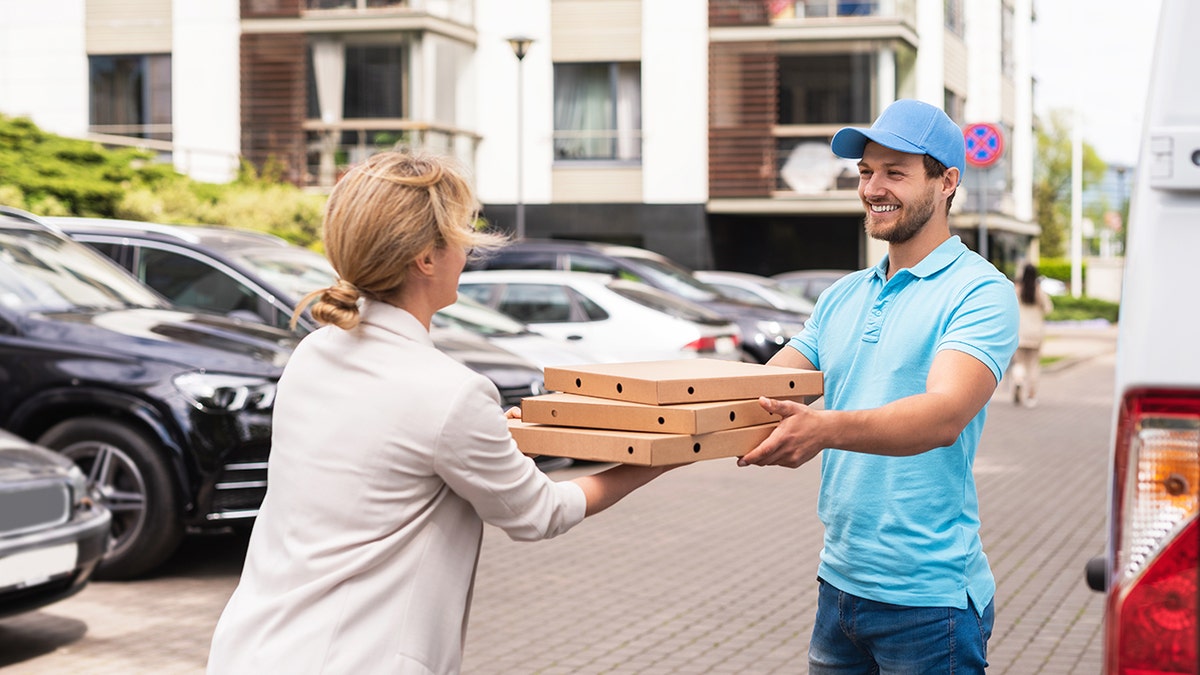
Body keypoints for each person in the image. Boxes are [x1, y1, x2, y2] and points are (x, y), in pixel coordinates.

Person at [206, 151, 674, 674]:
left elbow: (382, 457)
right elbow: (538, 513)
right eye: (461, 232)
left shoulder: (314, 354)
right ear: (425, 257)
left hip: (252, 650)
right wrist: (661, 457)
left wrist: (495, 439)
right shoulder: (450, 392)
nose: (469, 249)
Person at [737, 99, 1018, 673]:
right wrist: (612, 414)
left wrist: (824, 429)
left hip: (929, 604)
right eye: (866, 172)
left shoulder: (980, 293)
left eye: (895, 172)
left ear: (947, 182)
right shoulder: (842, 296)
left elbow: (943, 416)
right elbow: (762, 389)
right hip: (838, 586)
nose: (873, 187)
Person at [1011, 262, 1054, 407]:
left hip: (1020, 333)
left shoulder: (1017, 291)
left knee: (1020, 363)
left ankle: (1018, 381)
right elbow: (1048, 309)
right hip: (1035, 334)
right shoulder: (1038, 291)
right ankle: (1031, 396)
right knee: (1033, 365)